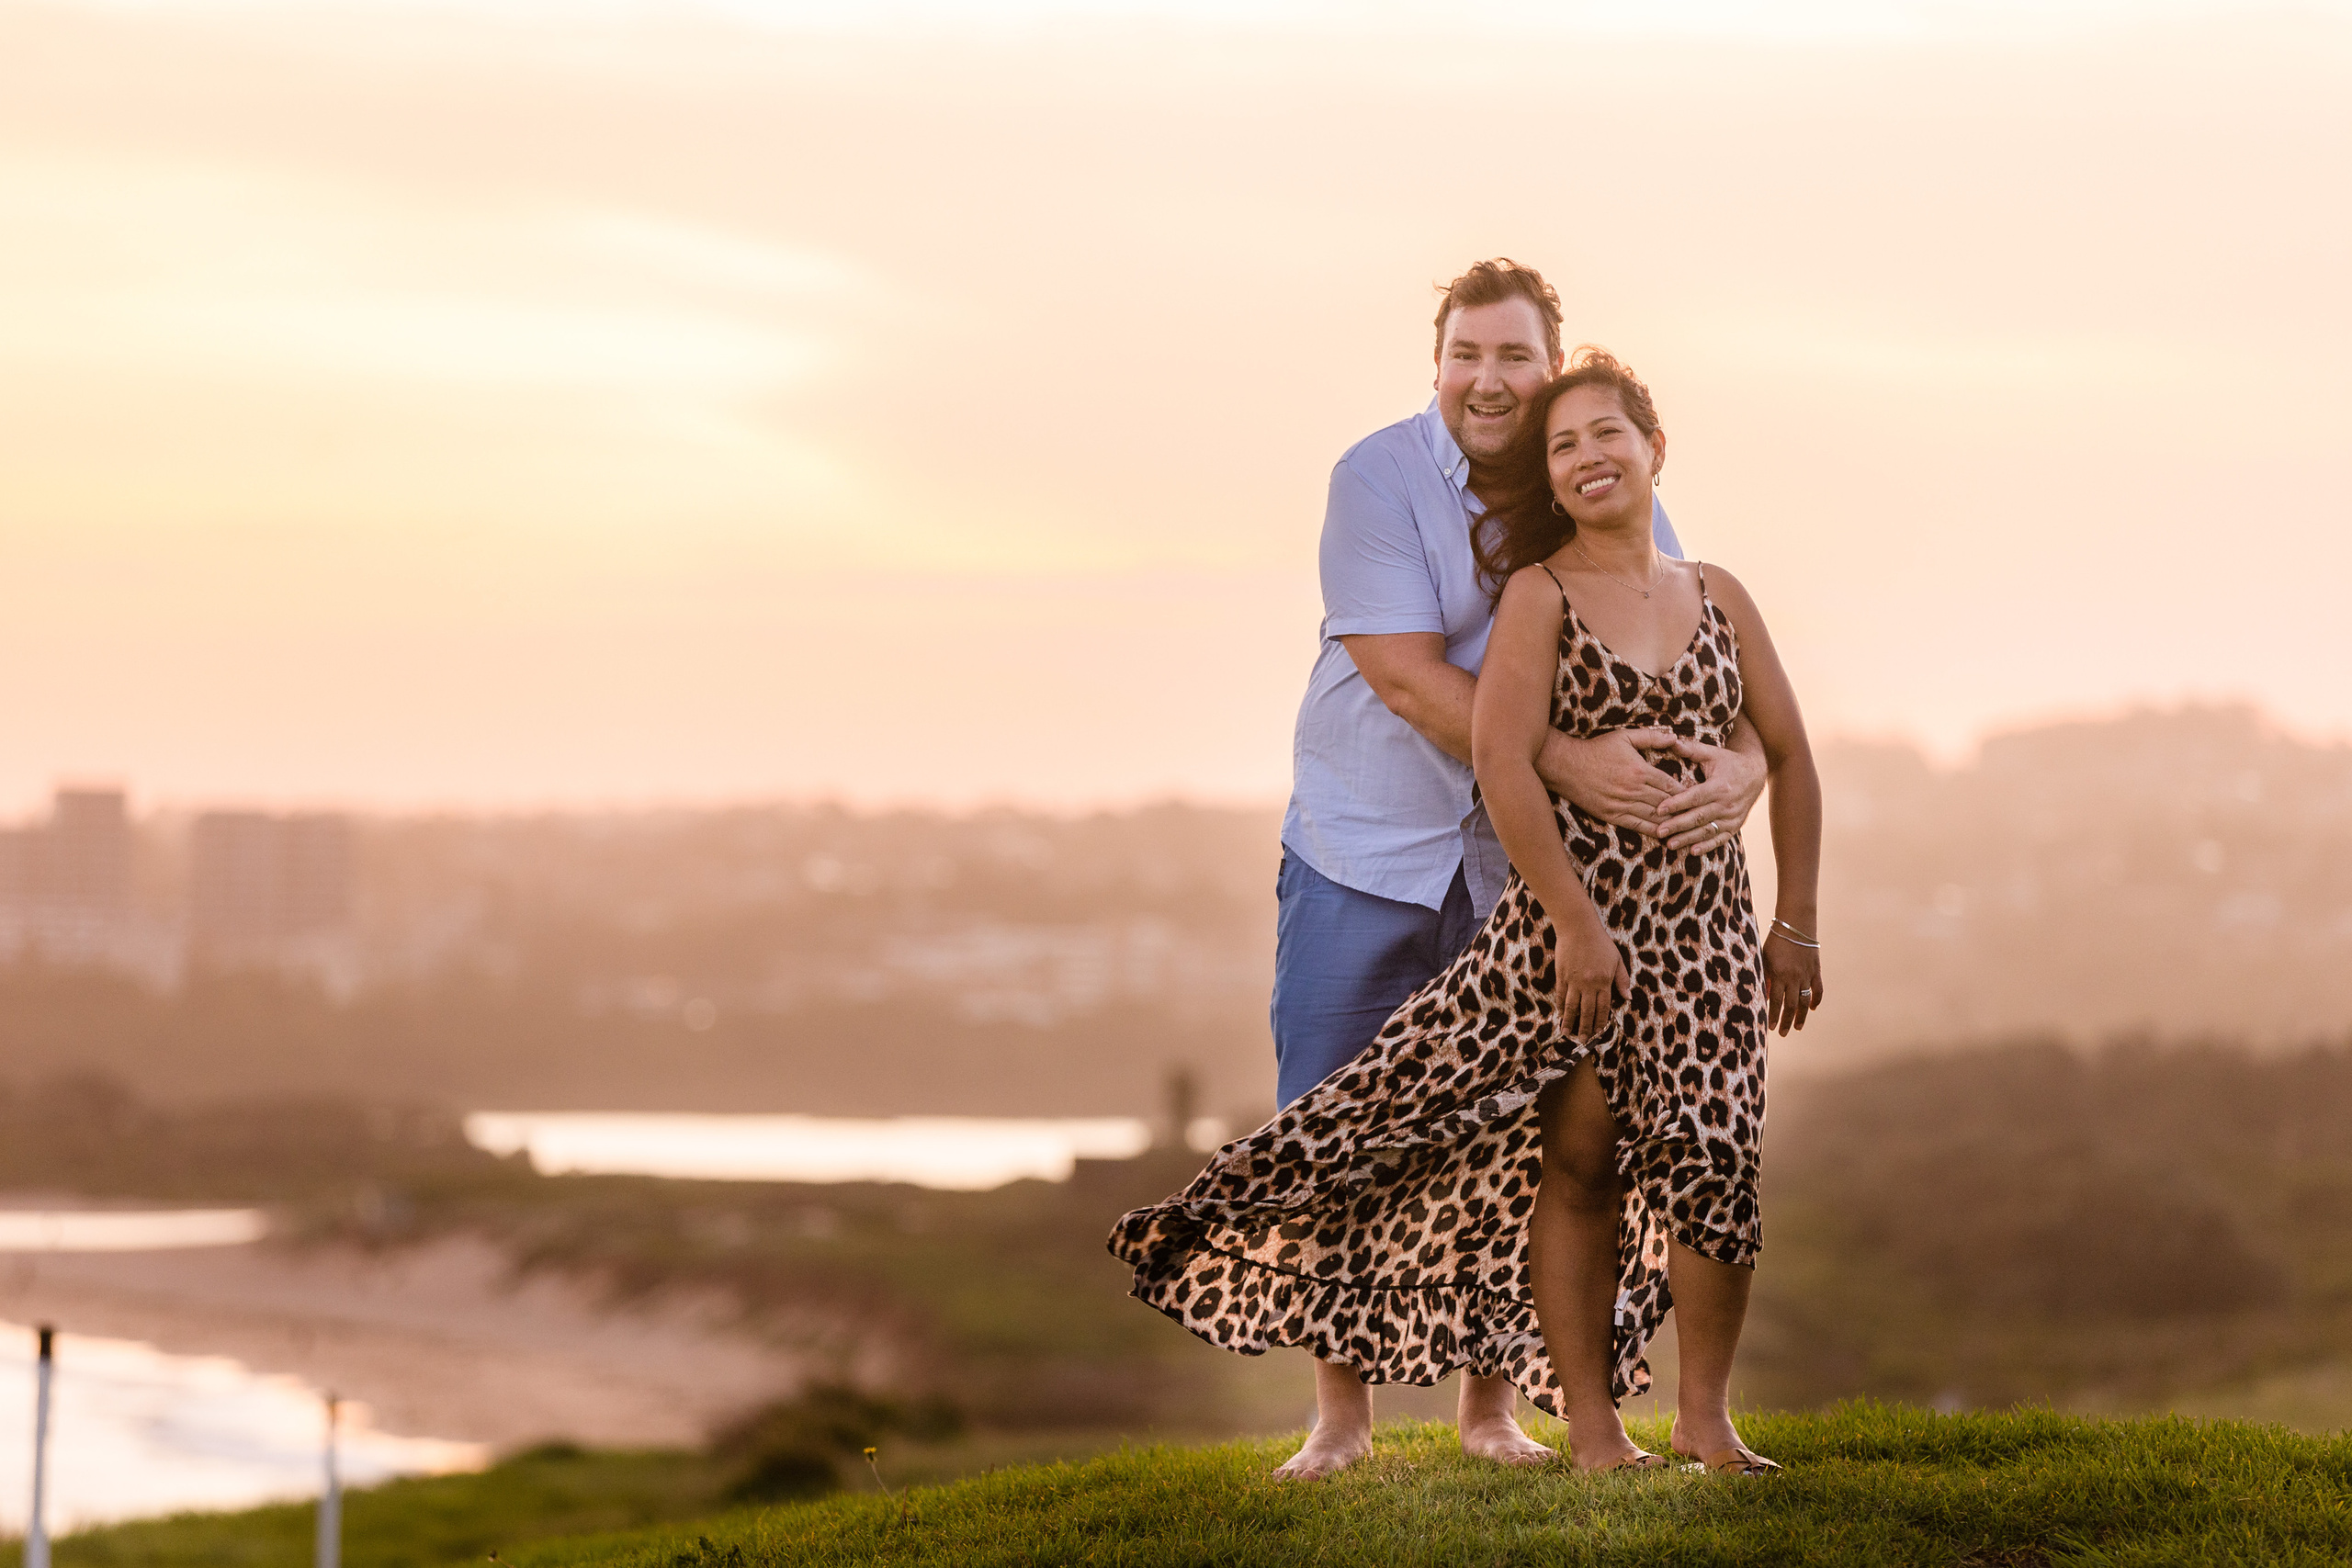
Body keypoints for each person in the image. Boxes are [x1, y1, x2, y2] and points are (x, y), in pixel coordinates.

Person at [1109, 347, 1822, 1478]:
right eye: (1562, 443)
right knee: (1518, 1149)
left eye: (1601, 430)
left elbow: (1771, 735)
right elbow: (1463, 725)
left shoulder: (1702, 577)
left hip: (1676, 926)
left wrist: (1786, 897)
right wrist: (1575, 897)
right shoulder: (1456, 532)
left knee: (1689, 1162)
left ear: (1652, 444)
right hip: (1447, 877)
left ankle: (1656, 1419)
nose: (1583, 452)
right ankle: (1432, 1425)